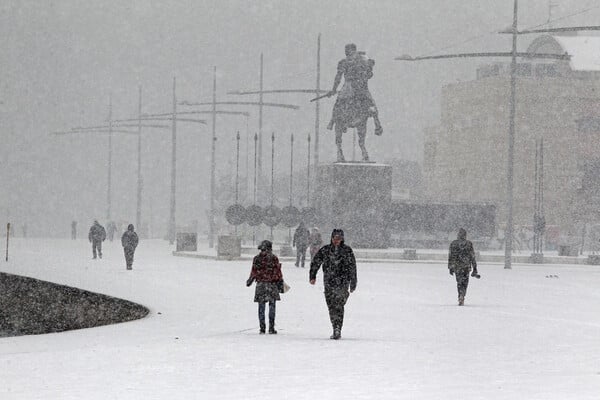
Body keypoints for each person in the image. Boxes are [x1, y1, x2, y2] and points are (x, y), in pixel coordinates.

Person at [326, 43, 382, 162]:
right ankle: (376, 124)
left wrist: (333, 90)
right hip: (356, 86)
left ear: (351, 50)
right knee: (369, 104)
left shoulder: (351, 61)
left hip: (354, 86)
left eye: (348, 50)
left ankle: (333, 121)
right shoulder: (357, 60)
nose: (347, 53)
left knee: (342, 103)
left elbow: (339, 77)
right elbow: (368, 74)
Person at [309, 229, 357, 340]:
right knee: (331, 305)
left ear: (342, 239)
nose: (336, 241)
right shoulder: (326, 250)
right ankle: (334, 325)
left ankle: (337, 328)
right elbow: (316, 262)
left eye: (339, 239)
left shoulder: (347, 251)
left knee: (339, 305)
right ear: (331, 238)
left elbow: (352, 267)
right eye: (335, 238)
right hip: (329, 282)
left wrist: (353, 282)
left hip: (342, 281)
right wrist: (312, 275)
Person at [246, 240, 283, 334]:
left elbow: (253, 271)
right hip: (271, 284)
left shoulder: (257, 258)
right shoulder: (274, 258)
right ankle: (271, 328)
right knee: (272, 306)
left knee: (261, 307)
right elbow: (278, 272)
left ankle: (262, 328)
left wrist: (250, 280)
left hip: (260, 284)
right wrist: (280, 282)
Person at [448, 228, 480, 306]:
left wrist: (450, 267)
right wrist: (475, 268)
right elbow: (472, 256)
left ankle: (460, 295)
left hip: (457, 266)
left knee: (459, 282)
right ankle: (463, 295)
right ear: (465, 235)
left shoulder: (454, 243)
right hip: (466, 266)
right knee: (465, 282)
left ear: (458, 235)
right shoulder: (469, 244)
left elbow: (451, 256)